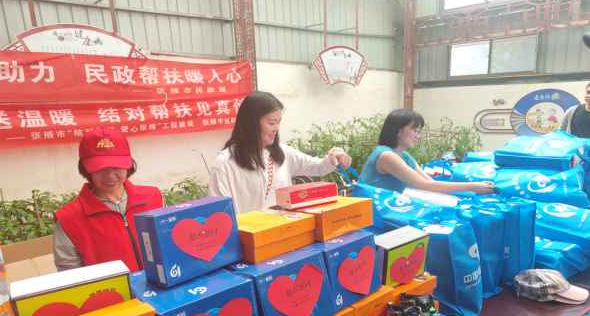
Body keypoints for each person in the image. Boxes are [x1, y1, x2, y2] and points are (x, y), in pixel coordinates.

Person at [208, 91, 353, 214]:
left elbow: (318, 167)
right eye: (271, 123)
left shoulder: (282, 152)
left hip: (283, 232)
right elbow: (220, 213)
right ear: (249, 123)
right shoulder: (225, 163)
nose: (277, 128)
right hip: (247, 236)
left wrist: (334, 157)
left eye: (279, 122)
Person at [53, 129, 163, 273]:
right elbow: (71, 273)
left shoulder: (154, 198)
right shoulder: (69, 218)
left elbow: (171, 242)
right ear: (85, 169)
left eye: (117, 167)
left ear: (129, 165)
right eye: (100, 168)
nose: (110, 175)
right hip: (111, 288)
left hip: (161, 284)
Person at [360, 109, 495, 195]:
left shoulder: (404, 155)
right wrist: (473, 186)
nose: (418, 136)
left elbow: (428, 181)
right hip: (374, 212)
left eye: (419, 131)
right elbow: (424, 185)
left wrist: (473, 187)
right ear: (397, 131)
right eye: (415, 131)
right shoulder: (386, 156)